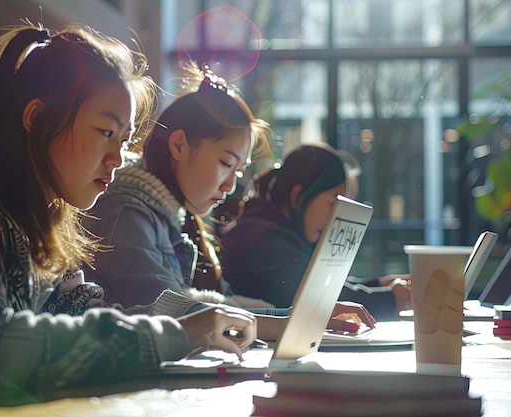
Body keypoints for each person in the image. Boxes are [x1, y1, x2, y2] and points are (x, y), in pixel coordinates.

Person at [0, 24, 257, 417]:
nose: (116, 157)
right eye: (104, 132)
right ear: (36, 118)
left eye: (123, 140)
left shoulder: (37, 215)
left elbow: (84, 315)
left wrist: (196, 328)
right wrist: (175, 333)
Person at [82, 63, 376, 337]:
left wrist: (300, 316)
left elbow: (217, 308)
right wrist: (292, 321)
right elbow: (175, 316)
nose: (230, 185)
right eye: (225, 163)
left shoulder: (168, 216)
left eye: (238, 171)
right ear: (179, 146)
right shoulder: (124, 215)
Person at [220, 143, 411, 320]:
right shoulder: (262, 240)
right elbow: (313, 295)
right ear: (298, 194)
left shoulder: (269, 232)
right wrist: (391, 298)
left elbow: (312, 281)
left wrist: (379, 285)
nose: (335, 217)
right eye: (332, 203)